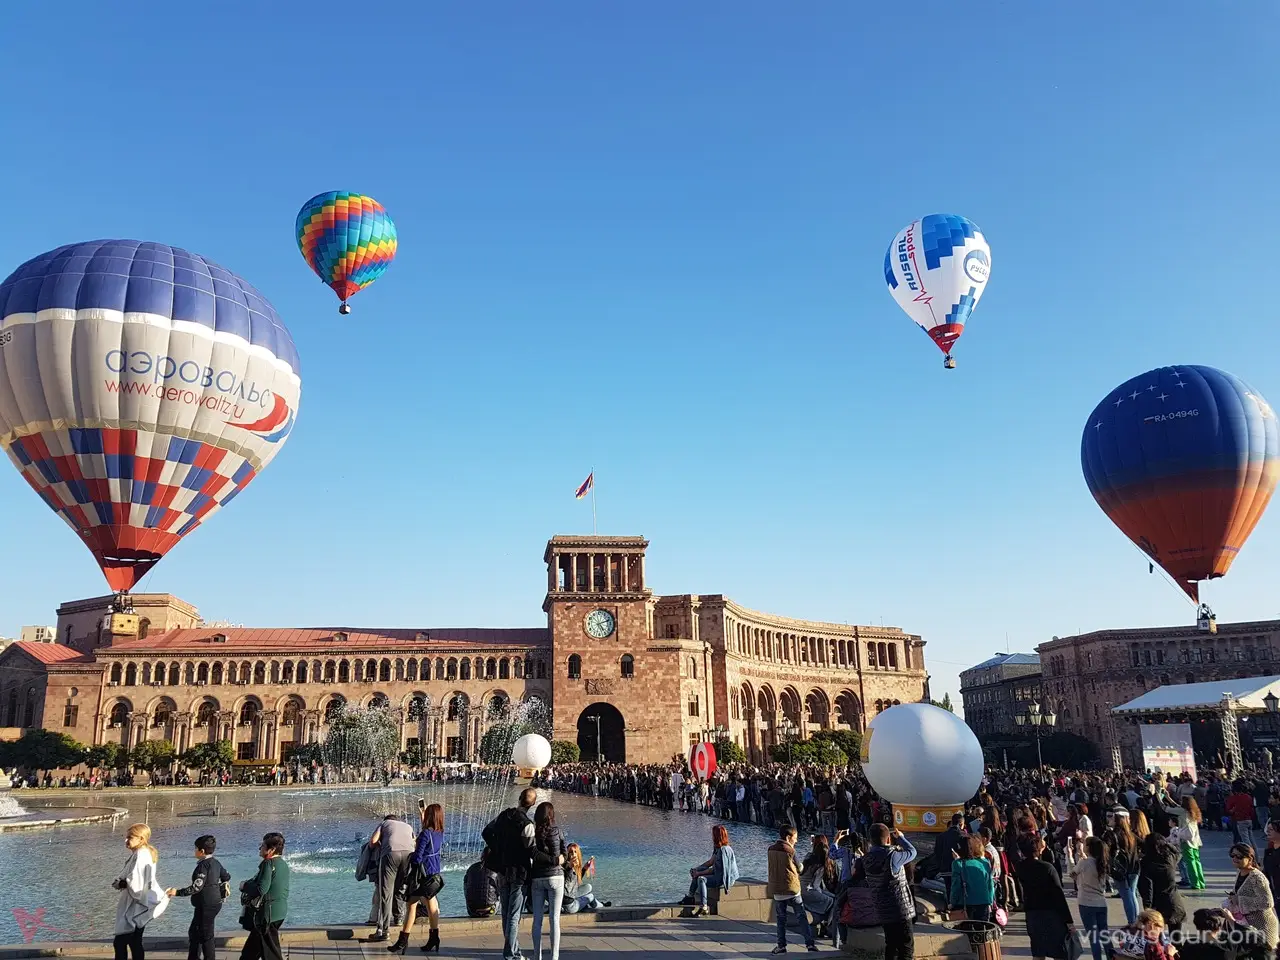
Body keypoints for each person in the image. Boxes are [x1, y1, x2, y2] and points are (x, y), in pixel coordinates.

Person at [482, 788, 538, 960]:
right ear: (533, 803)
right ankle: (510, 954)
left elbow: (486, 832)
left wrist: (497, 848)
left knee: (506, 913)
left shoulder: (504, 815)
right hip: (519, 873)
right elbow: (530, 851)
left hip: (502, 869)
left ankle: (515, 952)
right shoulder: (527, 824)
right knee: (514, 916)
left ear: (519, 799)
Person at [848, 823, 916, 960]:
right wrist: (901, 838)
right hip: (900, 908)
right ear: (888, 839)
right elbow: (912, 852)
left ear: (870, 840)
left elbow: (855, 877)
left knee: (890, 943)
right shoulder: (893, 857)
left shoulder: (865, 860)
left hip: (882, 908)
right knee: (906, 947)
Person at [389, 802, 444, 954]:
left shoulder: (426, 833)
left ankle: (403, 941)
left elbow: (417, 858)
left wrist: (412, 852)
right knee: (431, 906)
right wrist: (423, 817)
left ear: (429, 817)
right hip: (434, 873)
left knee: (411, 905)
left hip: (422, 876)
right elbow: (429, 839)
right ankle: (434, 937)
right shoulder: (439, 832)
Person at [165, 834, 230, 960]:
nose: (194, 851)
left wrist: (176, 892)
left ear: (202, 851)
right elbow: (226, 876)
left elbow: (196, 887)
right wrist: (218, 886)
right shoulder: (216, 862)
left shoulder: (203, 866)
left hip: (206, 905)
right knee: (194, 932)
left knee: (206, 936)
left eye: (195, 849)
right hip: (214, 903)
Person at [113, 823, 170, 960]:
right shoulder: (145, 852)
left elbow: (136, 882)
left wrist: (121, 882)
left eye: (130, 837)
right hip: (139, 901)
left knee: (120, 942)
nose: (126, 840)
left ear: (141, 839)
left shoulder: (141, 854)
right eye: (126, 837)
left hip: (136, 904)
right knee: (134, 941)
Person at [1016, 834, 1074, 960]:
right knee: (1058, 951)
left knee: (1037, 952)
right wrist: (1068, 921)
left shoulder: (1021, 867)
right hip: (1051, 914)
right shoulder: (1047, 868)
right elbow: (1059, 896)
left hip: (1032, 914)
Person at [766, 824, 818, 954]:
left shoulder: (770, 849)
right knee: (801, 917)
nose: (796, 840)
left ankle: (781, 945)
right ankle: (810, 944)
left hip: (776, 889)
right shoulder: (790, 851)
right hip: (792, 889)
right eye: (795, 837)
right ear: (789, 837)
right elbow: (800, 868)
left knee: (781, 919)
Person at [239, 832, 289, 960]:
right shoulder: (282, 864)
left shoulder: (268, 863)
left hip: (267, 915)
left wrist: (244, 886)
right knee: (250, 953)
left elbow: (262, 888)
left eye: (262, 846)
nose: (260, 848)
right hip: (278, 912)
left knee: (271, 953)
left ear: (271, 850)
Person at [369, 812, 416, 942]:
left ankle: (383, 930)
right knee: (401, 886)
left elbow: (372, 842)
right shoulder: (407, 826)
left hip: (390, 854)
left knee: (386, 892)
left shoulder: (384, 823)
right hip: (409, 854)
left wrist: (382, 845)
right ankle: (399, 918)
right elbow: (415, 842)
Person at [1226, 844, 1279, 955]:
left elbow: (1267, 902)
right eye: (1233, 855)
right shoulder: (1240, 872)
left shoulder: (1257, 877)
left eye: (1239, 856)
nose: (1235, 859)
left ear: (1249, 859)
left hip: (1262, 926)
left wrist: (1240, 900)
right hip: (1247, 926)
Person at [530, 801, 566, 960]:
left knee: (537, 919)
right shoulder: (558, 831)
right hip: (556, 877)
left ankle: (537, 955)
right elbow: (564, 853)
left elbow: (532, 853)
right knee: (554, 919)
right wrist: (558, 860)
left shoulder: (533, 832)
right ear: (552, 815)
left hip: (537, 877)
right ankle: (554, 956)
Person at [683, 825, 739, 917]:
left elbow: (715, 870)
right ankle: (690, 897)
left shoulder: (724, 851)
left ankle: (704, 906)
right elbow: (710, 862)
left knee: (701, 879)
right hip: (718, 873)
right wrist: (696, 869)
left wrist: (699, 873)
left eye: (713, 834)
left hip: (724, 877)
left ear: (717, 836)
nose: (711, 836)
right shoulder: (717, 848)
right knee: (698, 872)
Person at [1070, 837, 1108, 960]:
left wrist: (1070, 857)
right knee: (1104, 934)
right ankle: (1112, 956)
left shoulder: (1083, 863)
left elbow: (1072, 874)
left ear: (1088, 848)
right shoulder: (1102, 862)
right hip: (1101, 903)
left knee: (1093, 936)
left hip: (1086, 902)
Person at [1140, 828, 1186, 929]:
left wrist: (1147, 907)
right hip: (1174, 901)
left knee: (1156, 937)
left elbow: (1147, 887)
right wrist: (1166, 843)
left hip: (1158, 903)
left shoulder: (1146, 862)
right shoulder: (1170, 858)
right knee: (1176, 938)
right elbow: (1178, 852)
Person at [799, 834, 840, 940]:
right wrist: (830, 895)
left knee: (830, 899)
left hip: (801, 889)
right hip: (810, 891)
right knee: (833, 901)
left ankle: (824, 925)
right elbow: (816, 886)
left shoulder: (808, 858)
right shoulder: (820, 867)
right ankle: (827, 925)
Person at [950, 835, 995, 922]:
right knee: (982, 928)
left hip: (966, 902)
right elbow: (990, 884)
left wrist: (953, 902)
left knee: (967, 930)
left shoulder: (957, 863)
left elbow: (956, 885)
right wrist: (990, 900)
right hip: (984, 900)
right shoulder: (984, 862)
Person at [1110, 810, 1142, 925]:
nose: (1110, 820)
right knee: (1132, 894)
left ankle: (1132, 921)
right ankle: (1136, 920)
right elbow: (1144, 844)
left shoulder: (1114, 834)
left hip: (1121, 869)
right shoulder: (1131, 834)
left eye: (1112, 818)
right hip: (1134, 867)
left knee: (1126, 895)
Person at [563, 843, 610, 914]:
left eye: (575, 852)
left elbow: (573, 880)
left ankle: (591, 904)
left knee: (588, 887)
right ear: (567, 853)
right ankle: (601, 905)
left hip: (569, 896)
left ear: (578, 853)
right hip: (570, 906)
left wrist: (585, 868)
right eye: (570, 852)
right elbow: (567, 877)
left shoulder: (572, 865)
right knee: (590, 896)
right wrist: (570, 867)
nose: (573, 854)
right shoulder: (567, 865)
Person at [1172, 799, 1205, 891]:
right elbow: (1177, 806)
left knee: (1190, 863)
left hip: (1186, 841)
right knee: (1197, 861)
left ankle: (1195, 883)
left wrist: (1159, 797)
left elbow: (1167, 809)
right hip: (1195, 840)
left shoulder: (1183, 812)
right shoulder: (1194, 811)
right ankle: (1201, 882)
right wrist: (1169, 798)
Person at [464, 850, 501, 919]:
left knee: (466, 885)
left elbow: (466, 886)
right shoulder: (496, 869)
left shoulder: (472, 868)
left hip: (473, 911)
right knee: (501, 888)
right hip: (490, 910)